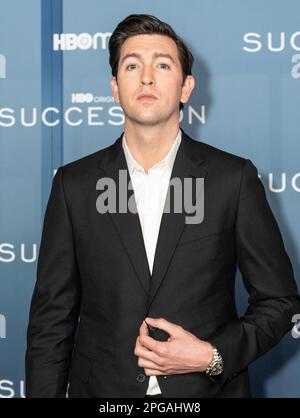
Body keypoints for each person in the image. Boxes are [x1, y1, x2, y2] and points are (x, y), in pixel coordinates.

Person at [25, 14, 300, 398]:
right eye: (132, 65)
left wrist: (211, 355)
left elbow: (280, 302)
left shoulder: (231, 179)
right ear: (115, 88)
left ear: (187, 88)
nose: (147, 77)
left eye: (163, 64)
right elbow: (50, 322)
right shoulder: (75, 186)